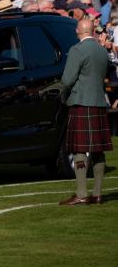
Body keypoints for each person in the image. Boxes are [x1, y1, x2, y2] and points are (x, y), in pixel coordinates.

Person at [59, 18, 112, 206]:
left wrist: (62, 96)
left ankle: (81, 193)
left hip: (81, 102)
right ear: (92, 31)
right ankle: (97, 194)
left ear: (78, 31)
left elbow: (67, 79)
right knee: (98, 150)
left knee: (79, 149)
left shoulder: (77, 50)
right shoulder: (101, 50)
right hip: (98, 102)